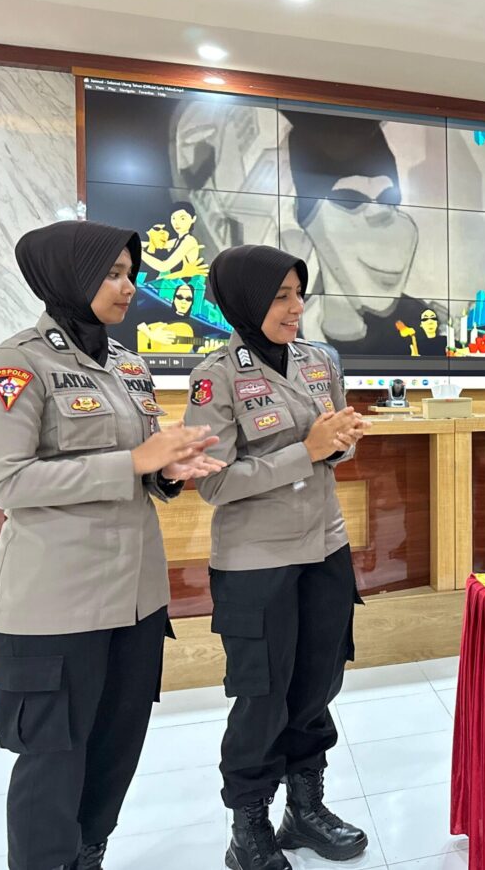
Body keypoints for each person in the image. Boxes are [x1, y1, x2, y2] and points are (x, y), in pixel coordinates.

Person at [0, 220, 223, 870]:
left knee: (115, 751)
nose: (128, 287)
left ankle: (88, 856)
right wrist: (135, 461)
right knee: (52, 765)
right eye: (111, 274)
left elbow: (144, 467)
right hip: (54, 607)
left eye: (130, 273)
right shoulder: (16, 365)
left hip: (135, 601)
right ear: (69, 276)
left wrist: (169, 469)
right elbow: (8, 481)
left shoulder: (128, 365)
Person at [183, 244, 372, 870]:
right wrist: (307, 451)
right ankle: (249, 826)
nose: (295, 308)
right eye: (280, 296)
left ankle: (305, 809)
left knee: (318, 683)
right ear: (244, 300)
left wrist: (340, 441)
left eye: (299, 294)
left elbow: (333, 446)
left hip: (326, 546)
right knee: (262, 696)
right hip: (256, 562)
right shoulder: (216, 377)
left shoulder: (319, 360)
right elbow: (212, 482)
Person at [283, 111, 433, 354]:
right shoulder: (282, 331)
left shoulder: (422, 322)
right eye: (350, 200)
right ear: (306, 217)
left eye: (389, 200)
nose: (380, 217)